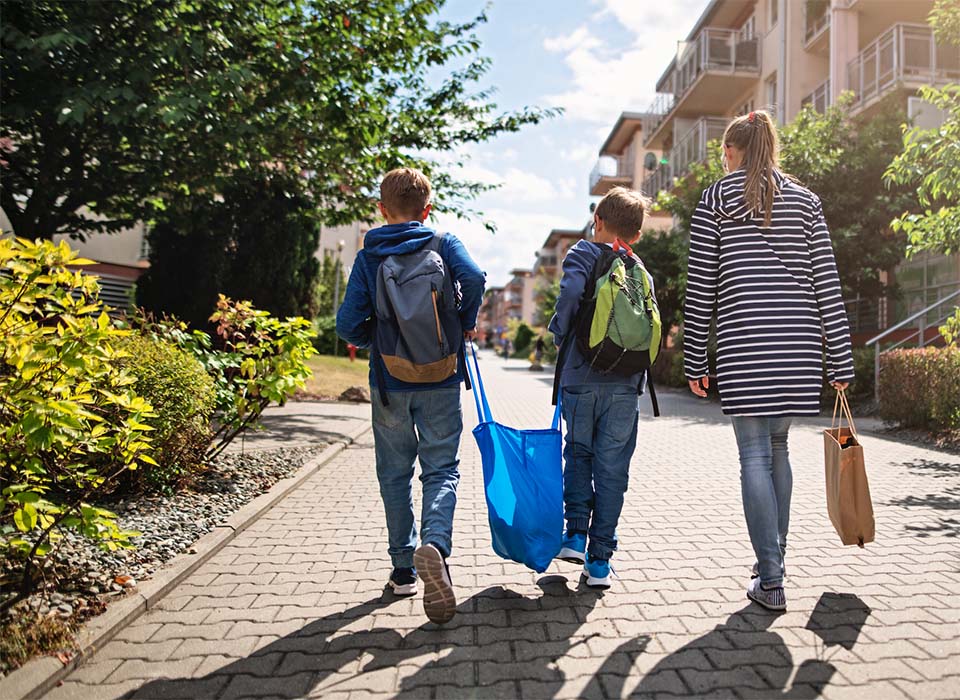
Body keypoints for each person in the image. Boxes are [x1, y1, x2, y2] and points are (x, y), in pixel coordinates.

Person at [683, 110, 854, 612]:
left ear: (732, 151)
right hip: (799, 348)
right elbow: (828, 281)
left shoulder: (717, 198)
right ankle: (771, 563)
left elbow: (701, 286)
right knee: (778, 448)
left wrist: (695, 357)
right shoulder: (806, 201)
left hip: (744, 343)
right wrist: (840, 360)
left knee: (753, 455)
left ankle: (773, 578)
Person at [336, 167, 485, 624]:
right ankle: (436, 546)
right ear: (428, 209)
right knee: (441, 469)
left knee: (394, 475)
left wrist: (376, 336)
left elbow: (346, 325)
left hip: (390, 383)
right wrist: (461, 323)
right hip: (441, 376)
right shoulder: (444, 242)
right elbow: (476, 278)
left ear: (382, 210)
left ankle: (402, 571)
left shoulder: (370, 255)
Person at [548, 186, 654, 588]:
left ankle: (575, 535)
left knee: (578, 453)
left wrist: (561, 332)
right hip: (626, 384)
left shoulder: (583, 253)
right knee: (613, 469)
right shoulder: (639, 268)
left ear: (597, 221)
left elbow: (573, 293)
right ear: (637, 233)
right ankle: (599, 562)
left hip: (580, 376)